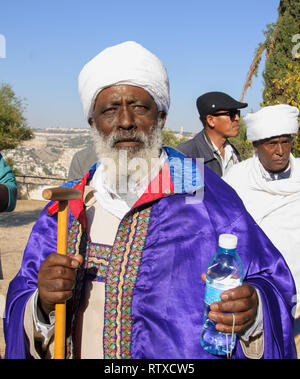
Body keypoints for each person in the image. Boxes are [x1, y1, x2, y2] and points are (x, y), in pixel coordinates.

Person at [4, 42, 297, 359]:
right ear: (92, 123)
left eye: (139, 107)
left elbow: (271, 284)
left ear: (161, 118)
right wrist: (42, 304)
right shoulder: (65, 209)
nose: (125, 121)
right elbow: (22, 299)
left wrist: (253, 311)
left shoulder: (206, 196)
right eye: (110, 110)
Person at [223, 104, 300, 356]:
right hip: (259, 306)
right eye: (272, 144)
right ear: (256, 146)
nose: (280, 151)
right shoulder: (237, 180)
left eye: (286, 142)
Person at [177, 92, 247, 177]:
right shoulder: (185, 155)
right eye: (231, 114)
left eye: (237, 113)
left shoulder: (233, 153)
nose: (237, 118)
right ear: (211, 120)